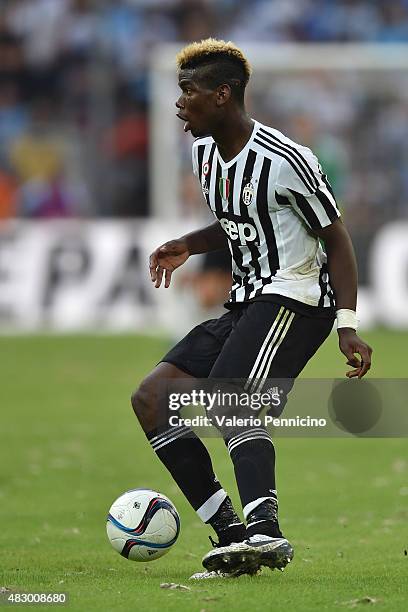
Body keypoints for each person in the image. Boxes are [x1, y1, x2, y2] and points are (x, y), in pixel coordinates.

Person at [131, 38, 372, 579]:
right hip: (247, 302)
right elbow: (245, 220)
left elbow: (337, 240)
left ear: (222, 95)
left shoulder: (287, 160)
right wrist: (190, 244)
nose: (178, 103)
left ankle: (268, 533)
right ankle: (234, 541)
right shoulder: (203, 154)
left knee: (230, 400)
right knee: (151, 398)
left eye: (187, 92)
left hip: (298, 296)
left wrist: (348, 324)